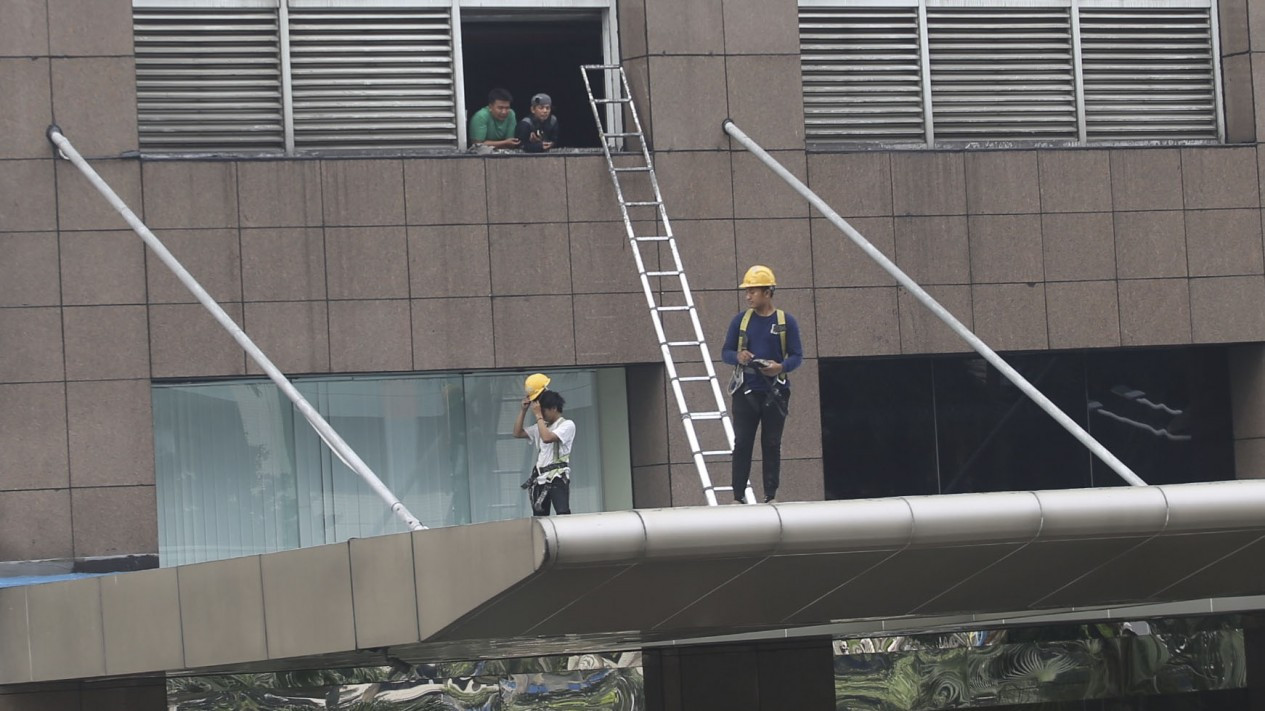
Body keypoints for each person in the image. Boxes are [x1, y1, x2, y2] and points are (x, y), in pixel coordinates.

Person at [721, 265, 803, 504]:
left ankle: (771, 495)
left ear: (767, 292)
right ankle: (738, 496)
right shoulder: (741, 321)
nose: (748, 296)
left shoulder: (786, 321)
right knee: (743, 443)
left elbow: (797, 356)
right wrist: (739, 356)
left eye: (753, 291)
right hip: (746, 391)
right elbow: (725, 352)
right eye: (747, 291)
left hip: (775, 392)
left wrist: (780, 367)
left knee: (772, 442)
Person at [513, 374, 575, 516]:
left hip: (557, 477)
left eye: (544, 411)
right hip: (539, 479)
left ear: (553, 408)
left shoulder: (567, 425)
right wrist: (523, 410)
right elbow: (517, 433)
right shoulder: (540, 426)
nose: (542, 415)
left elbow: (547, 438)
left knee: (563, 513)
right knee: (540, 519)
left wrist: (538, 415)